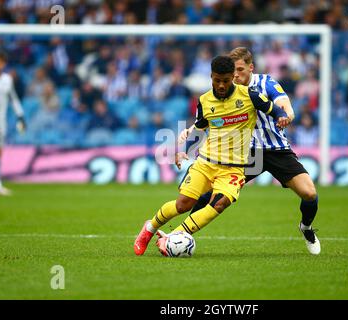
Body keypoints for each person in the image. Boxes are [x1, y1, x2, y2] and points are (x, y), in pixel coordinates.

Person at [133, 55, 287, 256]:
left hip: (233, 168)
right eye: (217, 80)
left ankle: (174, 237)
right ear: (211, 76)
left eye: (225, 80)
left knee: (220, 203)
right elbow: (199, 128)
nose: (221, 85)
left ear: (233, 76)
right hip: (206, 163)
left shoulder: (249, 95)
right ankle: (149, 229)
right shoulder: (205, 101)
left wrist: (282, 116)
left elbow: (274, 109)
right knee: (183, 204)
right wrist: (184, 151)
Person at [177, 47, 320, 255]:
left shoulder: (265, 83)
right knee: (209, 194)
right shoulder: (227, 88)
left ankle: (306, 227)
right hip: (245, 153)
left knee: (309, 193)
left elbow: (283, 103)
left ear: (251, 68)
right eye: (233, 71)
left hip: (276, 149)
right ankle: (181, 235)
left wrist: (287, 115)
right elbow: (210, 116)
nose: (235, 75)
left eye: (240, 70)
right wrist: (190, 131)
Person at [0, 52, 26, 196]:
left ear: (4, 64)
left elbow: (13, 98)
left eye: (0, 62)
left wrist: (20, 116)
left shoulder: (7, 80)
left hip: (1, 120)